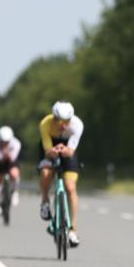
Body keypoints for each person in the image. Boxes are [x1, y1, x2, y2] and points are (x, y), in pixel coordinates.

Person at [38, 101, 84, 247]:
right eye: (59, 121)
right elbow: (47, 150)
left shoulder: (77, 125)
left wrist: (64, 150)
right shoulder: (45, 124)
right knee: (46, 173)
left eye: (67, 121)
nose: (63, 125)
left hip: (68, 149)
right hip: (50, 147)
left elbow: (71, 151)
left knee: (71, 187)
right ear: (54, 118)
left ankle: (73, 230)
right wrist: (53, 151)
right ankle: (45, 201)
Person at [0, 125, 22, 215]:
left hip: (11, 160)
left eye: (7, 142)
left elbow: (13, 158)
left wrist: (8, 154)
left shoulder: (16, 143)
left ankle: (15, 192)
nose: (4, 143)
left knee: (14, 174)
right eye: (2, 142)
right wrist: (3, 154)